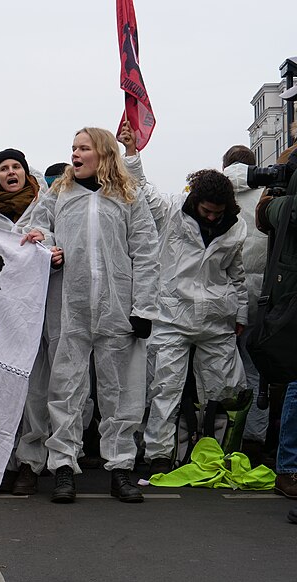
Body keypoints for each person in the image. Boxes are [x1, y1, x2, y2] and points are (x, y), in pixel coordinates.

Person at [25, 127, 158, 503]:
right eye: (73, 148)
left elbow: (146, 251)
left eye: (83, 148)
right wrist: (47, 249)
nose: (75, 154)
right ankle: (63, 468)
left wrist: (144, 307)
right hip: (69, 307)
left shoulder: (128, 197)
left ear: (103, 153)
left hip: (119, 310)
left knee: (121, 392)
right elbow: (31, 232)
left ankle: (120, 469)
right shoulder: (57, 193)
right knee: (65, 389)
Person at [120, 127, 249, 475]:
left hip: (216, 319)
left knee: (222, 390)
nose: (211, 217)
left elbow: (236, 275)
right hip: (172, 314)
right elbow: (143, 190)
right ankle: (159, 453)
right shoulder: (172, 212)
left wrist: (242, 314)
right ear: (196, 202)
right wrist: (131, 151)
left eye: (217, 212)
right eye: (206, 211)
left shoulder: (235, 229)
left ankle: (215, 452)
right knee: (166, 387)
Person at [0, 148, 51, 495]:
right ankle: (3, 460)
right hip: (0, 321)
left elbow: (62, 246)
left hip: (37, 318)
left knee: (36, 392)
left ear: (26, 173)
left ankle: (31, 461)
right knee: (3, 392)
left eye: (16, 167)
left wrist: (49, 246)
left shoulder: (46, 210)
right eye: (4, 169)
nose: (11, 173)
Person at [220, 146, 269, 463]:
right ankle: (253, 438)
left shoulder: (213, 191)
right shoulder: (268, 194)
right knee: (256, 369)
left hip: (224, 292)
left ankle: (219, 437)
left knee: (220, 366)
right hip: (264, 292)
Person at [256, 152, 297, 512]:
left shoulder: (283, 203)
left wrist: (273, 201)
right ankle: (288, 466)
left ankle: (288, 466)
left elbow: (268, 216)